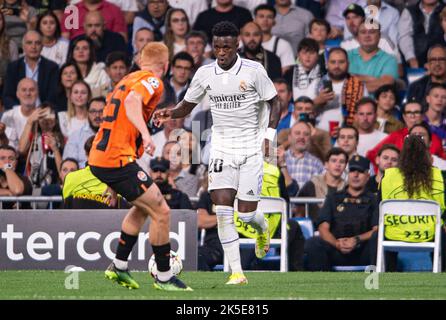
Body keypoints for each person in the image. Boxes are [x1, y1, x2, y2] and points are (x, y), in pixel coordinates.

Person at [153, 21, 282, 285]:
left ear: (237, 46)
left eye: (227, 46)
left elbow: (274, 101)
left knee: (246, 214)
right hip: (221, 147)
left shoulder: (254, 70)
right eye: (218, 46)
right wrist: (170, 112)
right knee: (223, 210)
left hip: (250, 147)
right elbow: (187, 106)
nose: (222, 51)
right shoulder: (204, 73)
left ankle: (262, 228)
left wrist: (269, 136)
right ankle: (236, 272)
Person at [88, 42, 192, 291]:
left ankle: (119, 266)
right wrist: (147, 135)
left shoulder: (127, 79)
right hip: (116, 160)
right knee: (162, 212)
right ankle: (165, 277)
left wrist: (113, 183)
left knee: (143, 208)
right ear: (165, 66)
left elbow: (120, 120)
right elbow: (132, 103)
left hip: (105, 158)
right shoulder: (152, 81)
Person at [379, 134, 446, 271]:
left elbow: (379, 206)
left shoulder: (388, 176)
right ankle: (442, 273)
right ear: (427, 154)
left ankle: (385, 274)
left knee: (377, 235)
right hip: (430, 234)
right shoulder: (439, 176)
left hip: (394, 234)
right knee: (442, 232)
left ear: (402, 155)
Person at [304, 155, 379, 271]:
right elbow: (323, 227)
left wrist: (356, 240)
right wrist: (336, 243)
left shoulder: (374, 200)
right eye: (353, 171)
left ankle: (376, 283)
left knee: (377, 239)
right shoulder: (333, 198)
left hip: (362, 250)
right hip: (337, 248)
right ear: (348, 174)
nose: (355, 175)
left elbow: (376, 229)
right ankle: (320, 285)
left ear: (368, 176)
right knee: (313, 243)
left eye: (360, 171)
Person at [2, 30, 59, 110]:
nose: (33, 46)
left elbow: (53, 97)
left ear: (42, 46)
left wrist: (39, 112)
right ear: (23, 46)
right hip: (18, 114)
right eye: (29, 43)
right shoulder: (13, 67)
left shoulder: (52, 68)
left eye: (37, 43)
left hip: (43, 114)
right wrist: (21, 111)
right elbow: (8, 96)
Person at [18, 102, 64, 188]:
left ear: (56, 119)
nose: (46, 119)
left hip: (53, 188)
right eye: (42, 115)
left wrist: (55, 149)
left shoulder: (63, 140)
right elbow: (21, 149)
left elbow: (64, 169)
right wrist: (29, 122)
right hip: (32, 186)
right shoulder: (32, 137)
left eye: (50, 114)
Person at [297, 147, 348, 225]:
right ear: (326, 165)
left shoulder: (347, 187)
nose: (338, 165)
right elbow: (298, 210)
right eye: (334, 161)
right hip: (314, 231)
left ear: (345, 166)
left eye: (342, 162)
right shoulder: (312, 184)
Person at [398, 0, 445, 68]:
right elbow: (404, 37)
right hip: (415, 63)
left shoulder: (444, 10)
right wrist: (411, 58)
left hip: (441, 63)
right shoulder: (410, 11)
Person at [63, 97, 105, 168]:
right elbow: (68, 165)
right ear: (88, 113)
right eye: (93, 111)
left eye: (101, 111)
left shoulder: (115, 135)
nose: (97, 115)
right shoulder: (76, 136)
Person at [253, 4, 295, 75]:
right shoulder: (244, 43)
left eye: (269, 17)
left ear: (274, 22)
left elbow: (286, 72)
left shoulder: (283, 45)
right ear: (254, 20)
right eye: (261, 16)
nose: (265, 20)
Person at [61, 0, 127, 41]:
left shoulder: (115, 10)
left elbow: (121, 39)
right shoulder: (71, 11)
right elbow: (65, 39)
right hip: (78, 52)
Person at [0, 144, 33, 209]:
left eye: (11, 159)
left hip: (21, 218)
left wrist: (7, 168)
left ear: (16, 162)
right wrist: (7, 192)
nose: (7, 162)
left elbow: (17, 190)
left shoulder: (23, 179)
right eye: (2, 158)